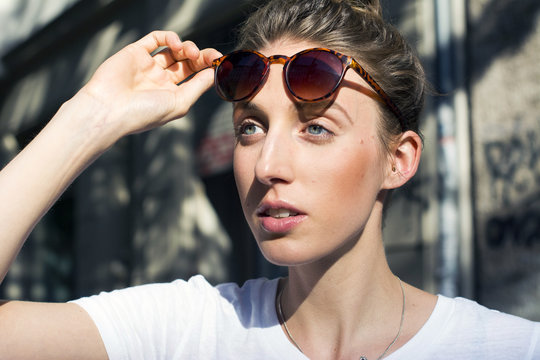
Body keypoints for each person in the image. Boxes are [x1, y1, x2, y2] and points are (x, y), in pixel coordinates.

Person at [0, 0, 538, 359]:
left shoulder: (502, 348)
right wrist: (91, 116)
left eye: (317, 128)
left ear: (397, 160)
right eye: (250, 127)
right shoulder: (187, 331)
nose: (266, 165)